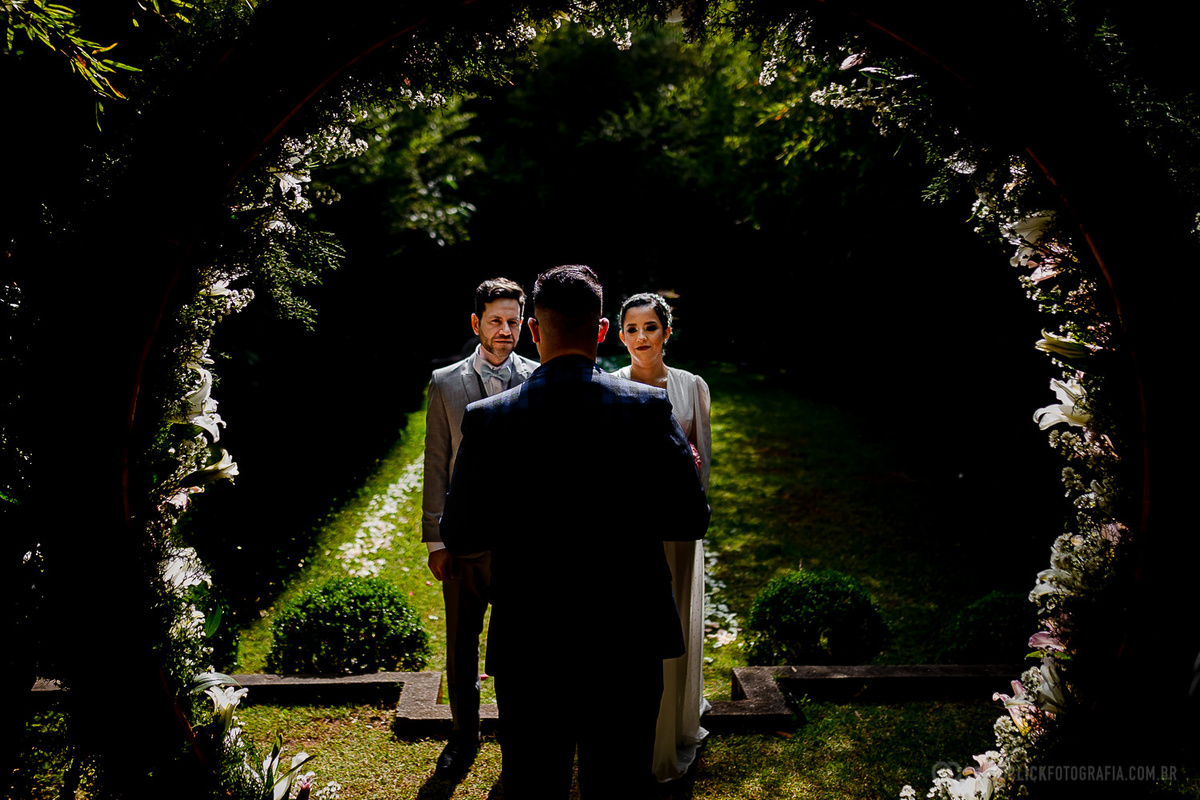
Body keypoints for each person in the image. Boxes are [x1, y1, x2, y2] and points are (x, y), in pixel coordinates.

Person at [440, 265, 710, 798]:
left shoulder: (490, 418)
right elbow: (690, 517)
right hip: (627, 639)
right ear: (604, 330)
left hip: (531, 641)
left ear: (535, 332)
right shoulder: (646, 410)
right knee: (619, 786)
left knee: (535, 784)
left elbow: (463, 531)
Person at [421, 277, 539, 777]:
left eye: (514, 321)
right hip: (463, 541)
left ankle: (520, 738)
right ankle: (462, 736)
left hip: (520, 546)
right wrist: (436, 539)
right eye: (495, 321)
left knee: (519, 649)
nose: (505, 330)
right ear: (476, 323)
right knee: (461, 645)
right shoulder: (445, 383)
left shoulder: (538, 378)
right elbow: (437, 462)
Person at [615, 292, 712, 782]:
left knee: (674, 622)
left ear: (666, 332)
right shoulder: (609, 388)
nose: (640, 338)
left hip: (676, 530)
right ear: (619, 335)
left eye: (649, 327)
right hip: (629, 535)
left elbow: (702, 469)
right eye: (631, 329)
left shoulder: (692, 388)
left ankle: (673, 725)